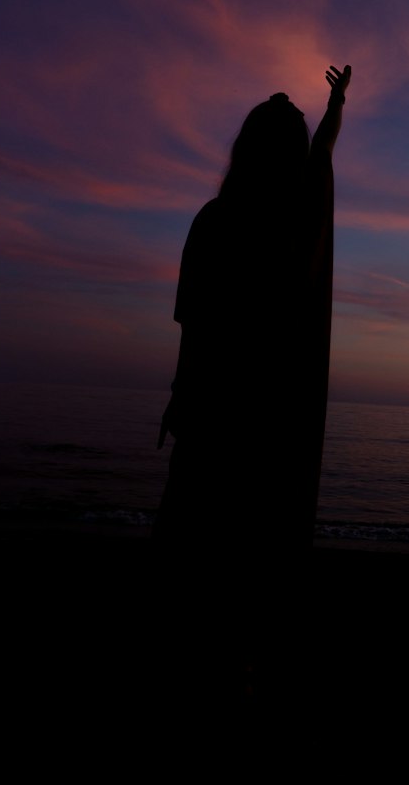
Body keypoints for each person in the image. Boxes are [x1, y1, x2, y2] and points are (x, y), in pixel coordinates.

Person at [154, 64, 352, 555]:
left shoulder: (216, 220)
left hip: (213, 415)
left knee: (192, 532)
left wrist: (180, 395)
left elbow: (194, 327)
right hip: (272, 423)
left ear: (245, 148)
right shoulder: (300, 223)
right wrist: (335, 107)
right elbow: (323, 151)